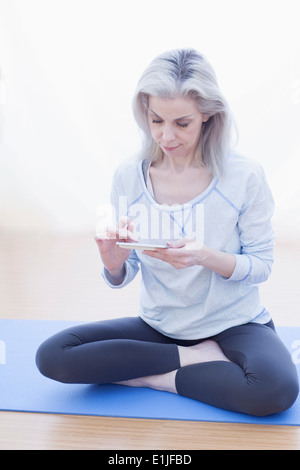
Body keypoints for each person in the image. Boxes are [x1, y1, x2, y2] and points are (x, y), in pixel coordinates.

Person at [36, 48, 299, 416]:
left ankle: (153, 376)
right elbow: (124, 274)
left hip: (234, 324)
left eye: (182, 123)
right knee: (53, 357)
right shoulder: (129, 176)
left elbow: (261, 265)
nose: (166, 135)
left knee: (277, 390)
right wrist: (114, 264)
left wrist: (203, 256)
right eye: (156, 120)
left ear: (207, 115)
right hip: (160, 326)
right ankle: (189, 359)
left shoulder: (244, 177)